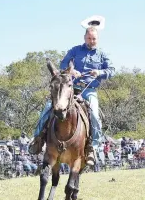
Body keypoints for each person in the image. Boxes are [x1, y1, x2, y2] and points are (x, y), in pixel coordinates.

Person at [29, 16, 115, 166]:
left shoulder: (102, 54)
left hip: (89, 91)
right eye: (89, 38)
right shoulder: (75, 50)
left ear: (97, 39)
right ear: (85, 37)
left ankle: (93, 148)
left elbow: (112, 70)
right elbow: (63, 64)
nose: (91, 41)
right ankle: (37, 139)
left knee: (94, 114)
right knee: (49, 107)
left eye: (94, 39)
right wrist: (72, 70)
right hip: (70, 89)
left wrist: (99, 72)